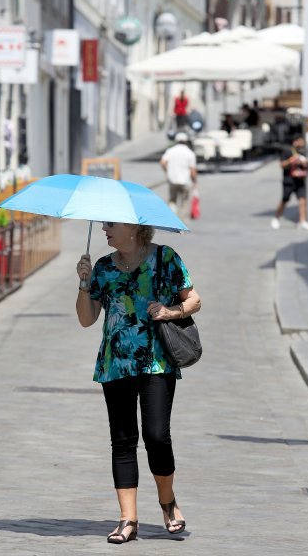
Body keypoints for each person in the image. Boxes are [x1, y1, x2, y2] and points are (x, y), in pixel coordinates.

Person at [76, 224, 201, 544]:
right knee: (122, 439)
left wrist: (169, 310)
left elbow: (194, 300)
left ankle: (168, 501)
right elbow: (86, 318)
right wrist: (84, 282)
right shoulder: (103, 267)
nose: (104, 228)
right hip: (115, 363)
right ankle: (127, 519)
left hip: (157, 363)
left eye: (111, 224)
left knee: (157, 436)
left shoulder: (165, 259)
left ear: (133, 227)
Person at [271, 135, 308, 230]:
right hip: (289, 180)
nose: (303, 143)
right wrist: (291, 160)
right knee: (284, 200)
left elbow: (306, 164)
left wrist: (304, 162)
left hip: (299, 179)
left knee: (303, 199)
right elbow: (281, 165)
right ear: (295, 141)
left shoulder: (303, 151)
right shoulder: (287, 151)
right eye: (301, 141)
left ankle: (302, 221)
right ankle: (276, 218)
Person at [160, 132, 197, 219]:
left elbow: (162, 162)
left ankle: (173, 219)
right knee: (184, 202)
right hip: (185, 181)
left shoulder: (170, 151)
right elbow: (193, 171)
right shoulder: (190, 153)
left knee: (172, 200)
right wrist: (194, 181)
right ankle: (181, 222)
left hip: (172, 180)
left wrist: (167, 171)